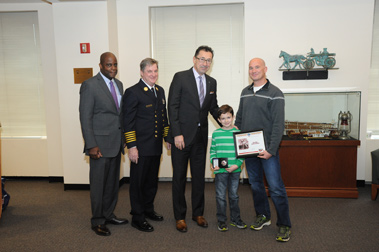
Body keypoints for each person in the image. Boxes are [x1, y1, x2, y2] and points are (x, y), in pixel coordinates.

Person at [235, 58, 292, 242]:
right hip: (249, 150)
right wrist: (235, 138)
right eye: (251, 68)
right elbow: (240, 118)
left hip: (268, 151)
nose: (253, 70)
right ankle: (263, 216)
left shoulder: (275, 93)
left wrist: (271, 149)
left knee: (276, 188)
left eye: (257, 67)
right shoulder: (245, 92)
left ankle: (284, 224)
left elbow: (278, 125)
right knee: (256, 185)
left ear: (265, 69)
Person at [168, 45, 219, 232]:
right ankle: (179, 216)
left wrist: (227, 123)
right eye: (202, 59)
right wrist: (176, 133)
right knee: (179, 178)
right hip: (181, 138)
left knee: (199, 178)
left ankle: (198, 213)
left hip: (199, 138)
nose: (205, 63)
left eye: (208, 60)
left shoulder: (212, 82)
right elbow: (172, 107)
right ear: (194, 59)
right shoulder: (180, 77)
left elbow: (213, 108)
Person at [79, 52, 128, 236]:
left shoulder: (119, 84)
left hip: (115, 143)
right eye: (109, 65)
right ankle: (97, 220)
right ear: (100, 65)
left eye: (115, 64)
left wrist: (123, 137)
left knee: (112, 184)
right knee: (99, 185)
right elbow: (85, 117)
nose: (113, 68)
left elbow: (119, 114)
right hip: (99, 145)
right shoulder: (90, 85)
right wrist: (91, 144)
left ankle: (108, 214)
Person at [122, 58, 170, 232]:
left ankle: (148, 210)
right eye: (150, 71)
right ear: (142, 72)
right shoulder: (133, 92)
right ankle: (138, 216)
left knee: (151, 182)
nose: (153, 74)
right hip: (140, 147)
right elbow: (127, 121)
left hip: (155, 146)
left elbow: (163, 118)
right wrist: (132, 146)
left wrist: (167, 138)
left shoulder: (160, 90)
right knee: (138, 183)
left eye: (155, 71)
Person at [209, 104, 246, 232]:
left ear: (233, 117)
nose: (226, 121)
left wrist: (238, 164)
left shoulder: (238, 133)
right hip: (220, 171)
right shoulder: (216, 134)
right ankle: (221, 220)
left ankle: (236, 219)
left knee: (234, 196)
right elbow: (213, 151)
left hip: (235, 171)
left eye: (228, 117)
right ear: (218, 120)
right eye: (223, 118)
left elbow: (243, 152)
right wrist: (213, 164)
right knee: (220, 196)